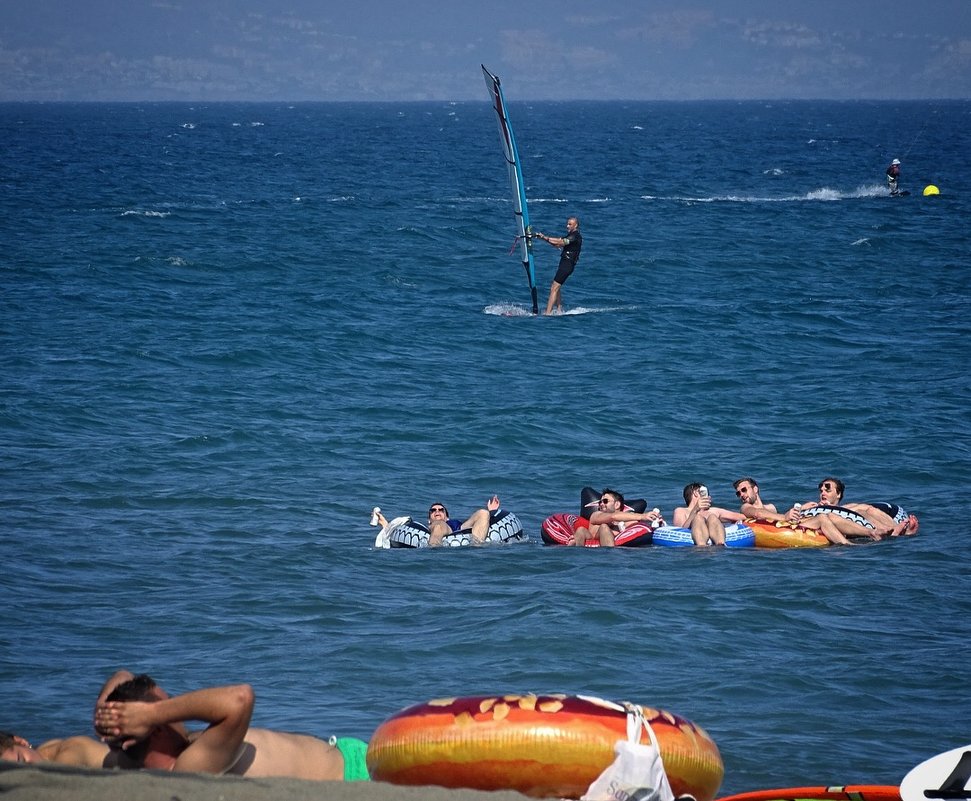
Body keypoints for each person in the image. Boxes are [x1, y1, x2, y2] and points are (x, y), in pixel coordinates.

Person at [93, 672, 369, 781]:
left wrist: (104, 716)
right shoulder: (192, 765)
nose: (174, 710)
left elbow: (123, 675)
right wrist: (153, 713)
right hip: (358, 776)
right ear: (155, 727)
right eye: (167, 707)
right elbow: (240, 698)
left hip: (347, 750)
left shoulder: (121, 760)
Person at [734, 477, 881, 545]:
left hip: (795, 524)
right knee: (823, 518)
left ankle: (872, 532)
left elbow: (778, 517)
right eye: (738, 493)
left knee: (829, 515)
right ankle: (847, 545)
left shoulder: (771, 507)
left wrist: (802, 509)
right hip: (782, 527)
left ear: (755, 489)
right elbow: (758, 514)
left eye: (744, 490)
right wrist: (785, 516)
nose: (742, 495)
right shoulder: (745, 507)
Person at [796, 477, 917, 537]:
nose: (823, 493)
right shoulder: (814, 507)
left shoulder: (849, 507)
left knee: (866, 510)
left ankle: (896, 529)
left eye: (827, 490)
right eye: (821, 490)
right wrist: (802, 508)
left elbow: (865, 508)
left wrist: (836, 509)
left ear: (838, 494)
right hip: (833, 521)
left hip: (885, 513)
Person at [375, 495, 501, 546]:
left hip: (457, 529)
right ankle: (434, 550)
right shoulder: (432, 526)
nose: (437, 512)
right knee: (439, 526)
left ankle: (477, 546)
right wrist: (385, 525)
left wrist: (492, 512)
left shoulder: (454, 522)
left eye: (441, 510)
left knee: (483, 513)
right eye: (433, 511)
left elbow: (480, 520)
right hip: (440, 530)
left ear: (447, 516)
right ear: (428, 519)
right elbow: (395, 530)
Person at [573, 488, 661, 547]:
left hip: (617, 549)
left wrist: (654, 521)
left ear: (617, 504)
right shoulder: (596, 515)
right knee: (601, 527)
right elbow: (613, 516)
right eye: (600, 502)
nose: (601, 504)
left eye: (605, 501)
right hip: (593, 541)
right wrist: (643, 516)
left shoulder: (625, 520)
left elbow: (637, 526)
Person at [535, 216, 582, 316]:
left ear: (576, 225)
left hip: (567, 265)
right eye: (567, 224)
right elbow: (557, 244)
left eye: (570, 224)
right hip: (564, 263)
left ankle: (548, 313)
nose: (567, 226)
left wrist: (544, 237)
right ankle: (559, 309)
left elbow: (560, 242)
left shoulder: (575, 236)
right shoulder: (570, 235)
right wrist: (544, 239)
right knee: (556, 285)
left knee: (554, 288)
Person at [673, 483, 746, 546]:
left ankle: (721, 544)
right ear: (696, 493)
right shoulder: (681, 511)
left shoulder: (714, 511)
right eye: (705, 493)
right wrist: (695, 510)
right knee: (698, 518)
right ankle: (702, 546)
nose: (709, 497)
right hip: (697, 546)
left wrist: (736, 523)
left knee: (712, 517)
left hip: (717, 546)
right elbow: (680, 532)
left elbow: (742, 517)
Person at [0, 731, 118, 767]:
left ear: (21, 742)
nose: (28, 771)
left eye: (22, 761)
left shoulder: (67, 754)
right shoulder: (43, 751)